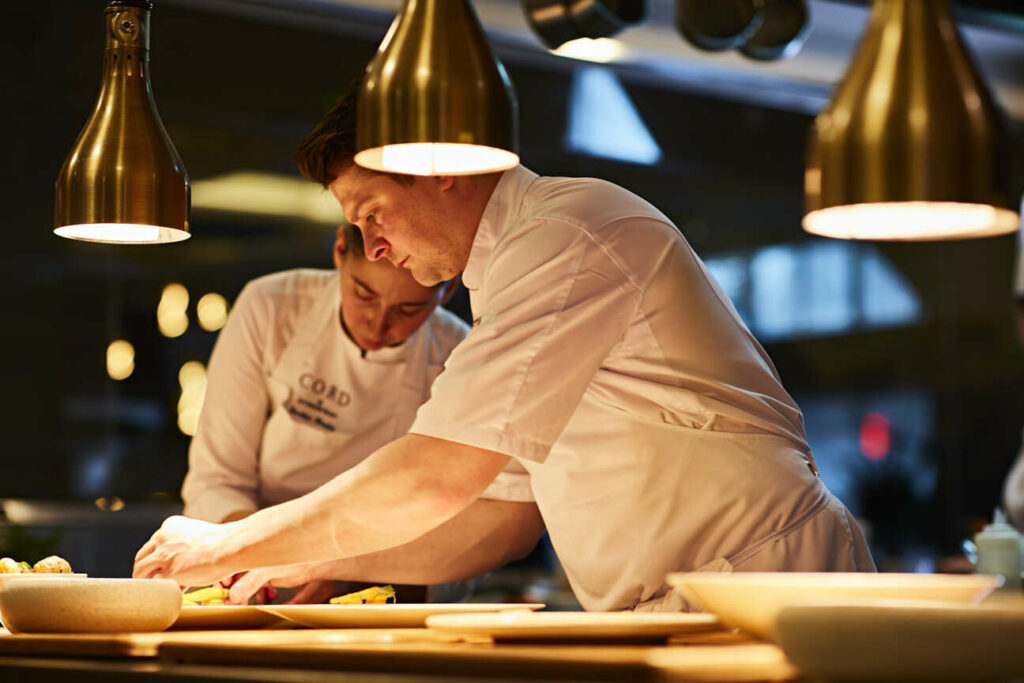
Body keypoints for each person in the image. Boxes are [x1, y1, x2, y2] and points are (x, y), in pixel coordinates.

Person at [134, 77, 874, 612]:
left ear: (441, 169)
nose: (375, 247)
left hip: (768, 588)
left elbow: (439, 474)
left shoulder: (567, 233)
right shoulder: (510, 274)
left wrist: (231, 545)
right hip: (695, 601)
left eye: (374, 212)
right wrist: (305, 557)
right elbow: (500, 517)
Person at [179, 223, 537, 602]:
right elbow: (216, 479)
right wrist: (250, 554)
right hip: (249, 581)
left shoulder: (461, 357)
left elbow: (466, 524)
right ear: (338, 253)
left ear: (447, 290)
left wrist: (350, 576)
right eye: (364, 294)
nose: (379, 323)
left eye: (408, 309)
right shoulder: (271, 306)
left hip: (377, 590)